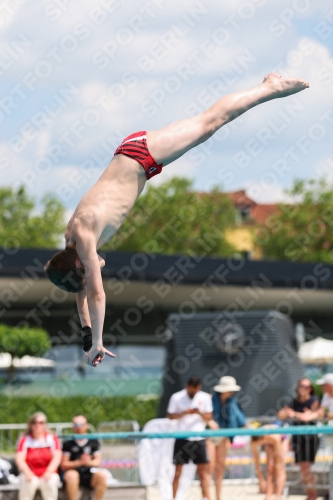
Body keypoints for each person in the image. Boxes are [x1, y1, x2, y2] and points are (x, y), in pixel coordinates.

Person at [44, 73, 310, 368]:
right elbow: (81, 295)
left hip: (141, 154)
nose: (96, 271)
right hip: (133, 156)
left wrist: (98, 342)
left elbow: (95, 294)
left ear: (79, 263)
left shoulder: (86, 239)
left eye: (88, 270)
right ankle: (267, 89)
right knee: (208, 125)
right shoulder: (71, 243)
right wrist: (85, 338)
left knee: (210, 122)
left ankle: (270, 88)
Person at [167, 376, 213, 500]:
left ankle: (205, 497)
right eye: (190, 391)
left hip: (199, 438)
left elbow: (209, 417)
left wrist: (199, 413)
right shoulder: (177, 397)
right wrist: (184, 413)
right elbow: (170, 416)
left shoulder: (204, 397)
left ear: (199, 388)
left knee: (203, 473)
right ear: (186, 387)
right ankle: (174, 498)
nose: (192, 393)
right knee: (177, 473)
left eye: (194, 391)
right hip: (182, 437)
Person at [278, 378, 320, 500]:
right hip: (298, 438)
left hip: (310, 438)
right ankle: (310, 495)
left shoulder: (314, 401)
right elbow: (280, 414)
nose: (303, 389)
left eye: (307, 387)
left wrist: (294, 414)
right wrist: (293, 413)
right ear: (298, 387)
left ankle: (313, 495)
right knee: (303, 468)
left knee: (306, 468)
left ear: (310, 389)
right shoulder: (294, 402)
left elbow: (309, 417)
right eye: (301, 386)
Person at [207, 376, 246, 500]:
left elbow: (240, 419)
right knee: (209, 467)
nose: (232, 392)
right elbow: (203, 414)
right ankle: (207, 496)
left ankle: (218, 497)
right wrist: (209, 422)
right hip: (209, 435)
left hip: (223, 436)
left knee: (220, 467)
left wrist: (248, 427)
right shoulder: (209, 399)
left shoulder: (232, 401)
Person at [15, 412, 62, 500]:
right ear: (30, 424)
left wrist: (49, 471)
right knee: (28, 482)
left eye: (41, 422)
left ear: (45, 424)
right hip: (29, 472)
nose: (37, 425)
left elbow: (57, 457)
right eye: (34, 422)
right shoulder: (24, 439)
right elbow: (19, 459)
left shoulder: (52, 438)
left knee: (50, 482)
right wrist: (27, 472)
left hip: (48, 472)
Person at [61, 415, 107, 500]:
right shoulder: (68, 443)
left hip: (88, 473)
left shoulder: (93, 441)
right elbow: (64, 464)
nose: (79, 427)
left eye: (81, 424)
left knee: (102, 476)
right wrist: (79, 462)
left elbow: (97, 462)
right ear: (73, 427)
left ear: (86, 425)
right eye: (76, 425)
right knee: (72, 475)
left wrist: (88, 462)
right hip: (73, 474)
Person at [251, 425, 289, 500]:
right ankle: (268, 496)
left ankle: (277, 496)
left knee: (279, 468)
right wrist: (261, 480)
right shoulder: (253, 441)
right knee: (270, 469)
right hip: (269, 439)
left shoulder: (274, 437)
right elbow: (257, 462)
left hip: (281, 438)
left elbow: (278, 464)